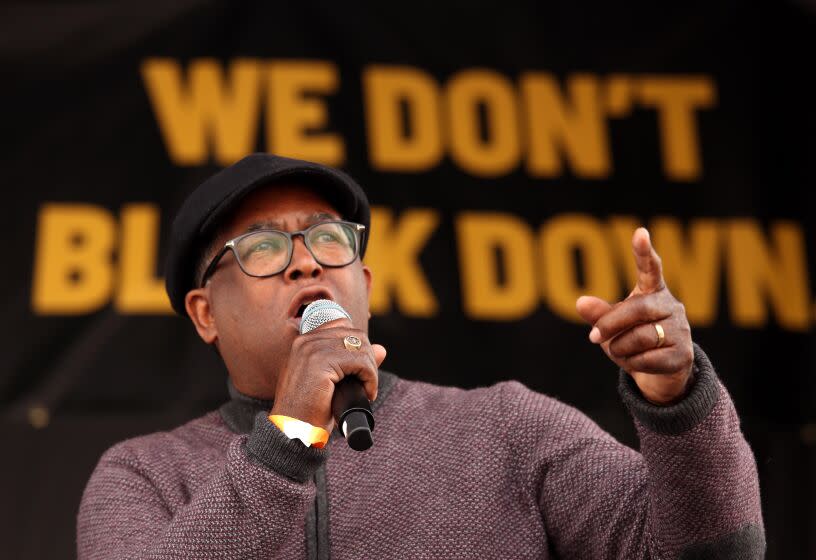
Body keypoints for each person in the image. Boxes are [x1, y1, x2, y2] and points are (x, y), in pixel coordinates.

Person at [77, 153, 764, 559]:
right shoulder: (143, 475)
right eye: (262, 248)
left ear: (364, 287)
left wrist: (678, 403)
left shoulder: (506, 428)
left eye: (329, 241)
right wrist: (286, 438)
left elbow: (713, 551)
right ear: (204, 315)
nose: (305, 266)